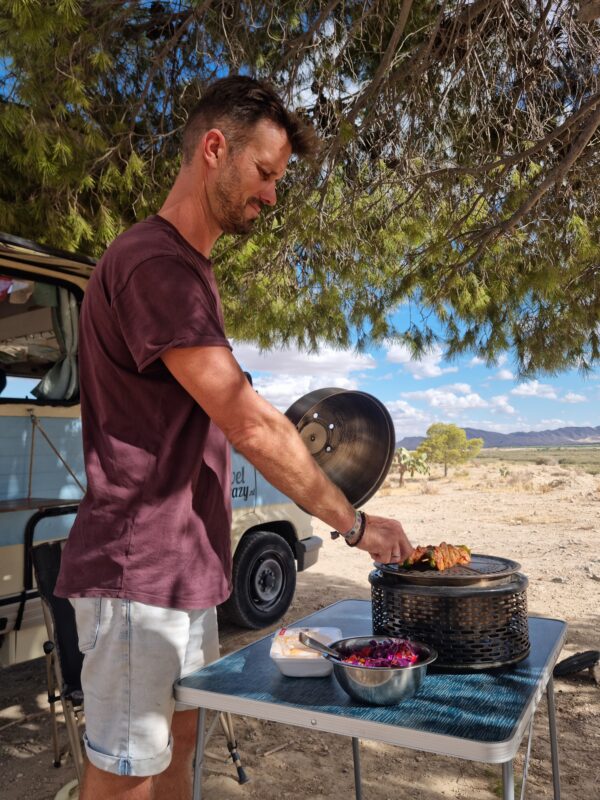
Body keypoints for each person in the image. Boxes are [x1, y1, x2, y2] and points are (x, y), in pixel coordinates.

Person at [55, 75, 413, 800]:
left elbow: (236, 409)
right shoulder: (155, 263)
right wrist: (355, 522)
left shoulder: (191, 271)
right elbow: (246, 421)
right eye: (265, 173)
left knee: (181, 750)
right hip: (137, 572)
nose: (272, 196)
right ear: (215, 149)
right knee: (128, 772)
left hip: (182, 569)